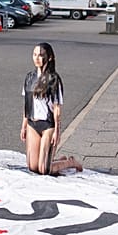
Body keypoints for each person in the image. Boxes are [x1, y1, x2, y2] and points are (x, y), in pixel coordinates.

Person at [20, 42, 82, 174]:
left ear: (49, 57)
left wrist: (57, 131)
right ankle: (57, 160)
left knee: (44, 169)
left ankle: (69, 162)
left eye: (41, 55)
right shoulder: (29, 78)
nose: (37, 58)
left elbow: (57, 108)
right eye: (35, 54)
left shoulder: (54, 79)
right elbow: (26, 104)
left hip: (48, 125)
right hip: (32, 124)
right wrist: (24, 126)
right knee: (33, 167)